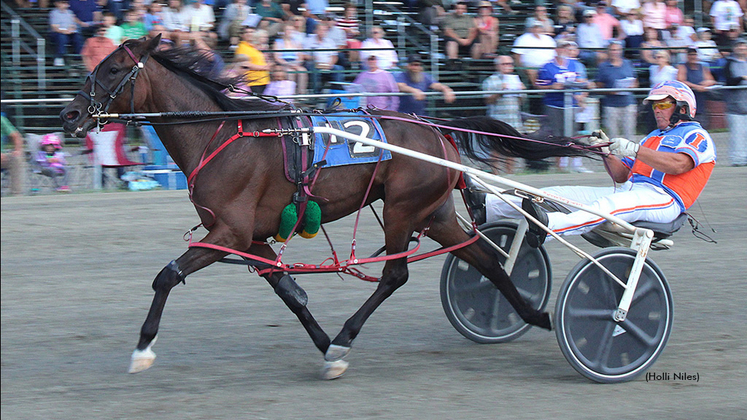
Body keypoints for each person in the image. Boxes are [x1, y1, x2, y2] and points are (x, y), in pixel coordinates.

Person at [470, 81, 715, 248]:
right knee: (555, 195)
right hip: (632, 191)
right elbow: (621, 176)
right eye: (654, 105)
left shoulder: (697, 136)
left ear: (682, 108)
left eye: (663, 105)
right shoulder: (653, 137)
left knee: (606, 205)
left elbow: (679, 165)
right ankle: (489, 207)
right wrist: (606, 151)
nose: (657, 110)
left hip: (665, 200)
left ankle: (550, 227)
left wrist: (635, 149)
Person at [481, 55, 526, 173]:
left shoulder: (516, 80)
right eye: (504, 64)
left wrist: (522, 91)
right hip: (498, 119)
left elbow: (522, 101)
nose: (508, 66)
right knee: (496, 148)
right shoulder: (491, 80)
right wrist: (500, 92)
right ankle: (494, 173)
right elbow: (487, 100)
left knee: (511, 147)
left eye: (510, 64)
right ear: (497, 66)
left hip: (514, 118)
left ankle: (510, 173)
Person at [596, 40, 638, 140]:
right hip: (611, 105)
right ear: (608, 51)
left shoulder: (628, 63)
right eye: (612, 50)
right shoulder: (603, 66)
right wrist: (610, 91)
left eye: (617, 50)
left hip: (628, 103)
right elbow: (598, 85)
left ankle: (629, 155)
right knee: (612, 135)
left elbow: (635, 81)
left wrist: (632, 86)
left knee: (629, 134)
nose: (614, 52)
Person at [677, 47, 716, 128]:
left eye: (694, 55)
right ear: (687, 56)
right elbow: (681, 80)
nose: (693, 57)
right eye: (690, 55)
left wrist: (706, 83)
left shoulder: (702, 67)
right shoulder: (682, 67)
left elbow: (711, 80)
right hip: (687, 102)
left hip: (700, 101)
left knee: (701, 125)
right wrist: (697, 87)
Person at [723, 37, 747, 166]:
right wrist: (742, 78)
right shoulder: (729, 63)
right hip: (736, 106)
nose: (741, 48)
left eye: (743, 46)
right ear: (734, 48)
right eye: (739, 46)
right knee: (737, 134)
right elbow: (729, 81)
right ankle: (737, 159)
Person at [303, 21, 344, 94]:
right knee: (313, 68)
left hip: (328, 64)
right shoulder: (308, 41)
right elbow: (304, 55)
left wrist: (330, 64)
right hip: (315, 64)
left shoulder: (330, 41)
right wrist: (314, 59)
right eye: (320, 30)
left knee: (338, 68)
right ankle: (316, 93)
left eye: (324, 30)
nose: (322, 32)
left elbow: (334, 56)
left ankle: (337, 92)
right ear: (316, 31)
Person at [511, 20, 556, 85]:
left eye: (539, 27)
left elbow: (555, 53)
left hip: (549, 65)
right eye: (534, 27)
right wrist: (521, 68)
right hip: (531, 67)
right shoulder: (523, 39)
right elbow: (516, 56)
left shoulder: (548, 38)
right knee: (531, 71)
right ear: (530, 28)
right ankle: (539, 90)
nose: (537, 29)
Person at [273, 23, 308, 94]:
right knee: (290, 73)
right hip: (283, 63)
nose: (289, 32)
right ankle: (290, 93)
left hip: (295, 62)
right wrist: (287, 64)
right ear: (283, 31)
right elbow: (277, 57)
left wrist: (297, 63)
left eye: (291, 30)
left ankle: (301, 93)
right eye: (288, 30)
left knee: (302, 72)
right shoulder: (278, 42)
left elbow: (300, 55)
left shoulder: (297, 42)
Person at [49, 0, 84, 67]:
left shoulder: (70, 13)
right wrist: (64, 31)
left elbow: (74, 25)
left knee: (77, 37)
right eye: (63, 3)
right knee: (61, 37)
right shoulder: (54, 13)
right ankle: (59, 57)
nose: (65, 4)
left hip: (69, 32)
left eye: (66, 3)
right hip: (58, 33)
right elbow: (54, 27)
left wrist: (71, 30)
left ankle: (78, 57)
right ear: (57, 4)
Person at [1, 113, 25, 196]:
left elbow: (16, 136)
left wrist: (17, 150)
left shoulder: (1, 119)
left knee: (16, 159)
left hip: (2, 157)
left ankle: (16, 193)